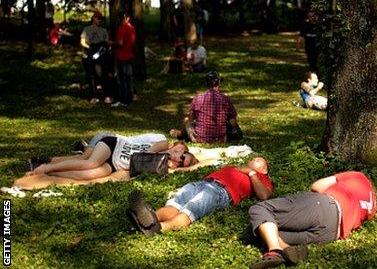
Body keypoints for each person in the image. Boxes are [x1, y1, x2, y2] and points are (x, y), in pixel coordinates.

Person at [248, 171, 376, 269]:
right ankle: (287, 249)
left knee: (260, 209)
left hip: (326, 206)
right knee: (261, 232)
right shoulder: (372, 208)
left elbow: (316, 186)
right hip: (330, 234)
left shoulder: (358, 176)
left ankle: (275, 250)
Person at [126, 157, 272, 236]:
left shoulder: (261, 178)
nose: (254, 159)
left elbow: (264, 195)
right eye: (253, 158)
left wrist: (251, 172)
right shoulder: (235, 168)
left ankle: (158, 228)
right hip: (202, 183)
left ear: (264, 170)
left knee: (190, 209)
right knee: (175, 204)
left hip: (220, 192)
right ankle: (148, 219)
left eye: (259, 160)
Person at [13, 133, 198, 190]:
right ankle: (46, 166)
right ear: (178, 148)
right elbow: (148, 153)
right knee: (89, 163)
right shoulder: (163, 145)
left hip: (114, 164)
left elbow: (134, 170)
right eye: (183, 156)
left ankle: (49, 173)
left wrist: (167, 166)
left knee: (90, 175)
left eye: (183, 163)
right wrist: (163, 160)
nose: (179, 159)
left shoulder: (163, 166)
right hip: (113, 145)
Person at [169, 71, 239, 143]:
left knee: (186, 120)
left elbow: (190, 119)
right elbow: (233, 122)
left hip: (199, 139)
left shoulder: (198, 98)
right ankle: (180, 134)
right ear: (219, 82)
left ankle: (181, 134)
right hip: (221, 139)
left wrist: (191, 129)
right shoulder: (225, 99)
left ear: (206, 83)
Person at [80, 11, 112, 104]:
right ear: (93, 18)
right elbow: (82, 41)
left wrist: (102, 49)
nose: (99, 20)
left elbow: (106, 42)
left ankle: (107, 95)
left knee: (103, 74)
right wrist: (89, 47)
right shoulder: (86, 29)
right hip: (90, 53)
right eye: (98, 18)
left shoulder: (103, 30)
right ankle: (93, 96)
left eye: (101, 19)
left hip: (101, 54)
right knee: (91, 75)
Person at [112, 12, 136, 107]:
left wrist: (112, 43)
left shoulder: (122, 28)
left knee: (122, 79)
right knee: (129, 78)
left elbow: (120, 43)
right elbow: (133, 42)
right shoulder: (132, 28)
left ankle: (123, 100)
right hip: (129, 55)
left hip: (121, 56)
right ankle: (129, 99)